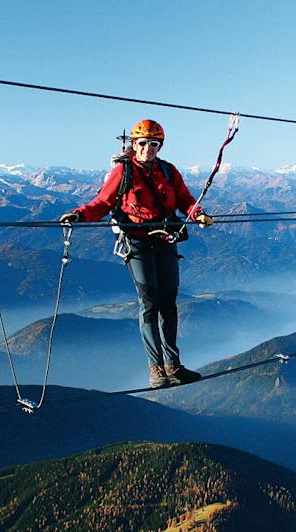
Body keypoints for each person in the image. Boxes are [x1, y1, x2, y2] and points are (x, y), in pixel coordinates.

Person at [61, 119, 215, 389]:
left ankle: (173, 366)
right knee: (150, 304)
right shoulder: (123, 172)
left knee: (169, 303)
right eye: (142, 143)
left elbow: (185, 199)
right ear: (134, 144)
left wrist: (199, 214)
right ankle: (156, 370)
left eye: (153, 144)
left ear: (160, 146)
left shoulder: (169, 172)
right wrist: (79, 215)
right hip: (138, 243)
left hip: (166, 241)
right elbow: (103, 202)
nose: (147, 148)